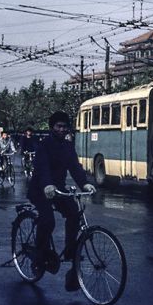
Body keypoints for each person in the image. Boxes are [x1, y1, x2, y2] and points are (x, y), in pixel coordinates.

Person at [28, 111, 96, 292]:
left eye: (65, 126)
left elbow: (75, 167)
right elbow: (42, 168)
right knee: (48, 220)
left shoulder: (67, 146)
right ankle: (39, 255)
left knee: (74, 214)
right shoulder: (44, 145)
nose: (62, 129)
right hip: (40, 189)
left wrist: (85, 184)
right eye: (58, 126)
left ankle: (69, 251)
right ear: (52, 127)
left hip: (58, 189)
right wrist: (47, 185)